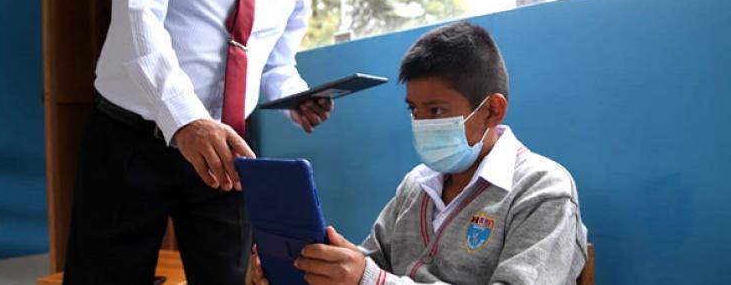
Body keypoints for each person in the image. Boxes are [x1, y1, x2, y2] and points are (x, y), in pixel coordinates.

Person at [62, 0, 349, 284]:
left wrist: (296, 98)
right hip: (130, 141)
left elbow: (275, 65)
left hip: (225, 155)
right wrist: (187, 120)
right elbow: (138, 15)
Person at [250, 21, 588, 285]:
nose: (421, 124)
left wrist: (369, 278)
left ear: (492, 111)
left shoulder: (543, 191)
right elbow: (371, 264)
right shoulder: (417, 185)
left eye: (436, 110)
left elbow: (372, 278)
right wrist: (316, 268)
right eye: (414, 110)